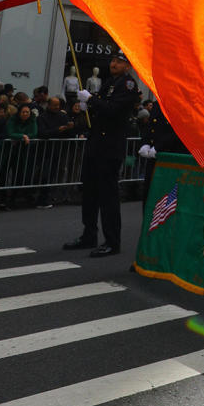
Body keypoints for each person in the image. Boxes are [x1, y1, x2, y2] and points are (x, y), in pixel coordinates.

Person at [64, 50, 140, 256]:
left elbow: (113, 109)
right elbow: (100, 105)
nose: (114, 64)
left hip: (109, 147)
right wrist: (86, 104)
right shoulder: (110, 82)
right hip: (96, 144)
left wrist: (92, 100)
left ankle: (112, 241)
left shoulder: (127, 85)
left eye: (119, 62)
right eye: (113, 60)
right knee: (89, 193)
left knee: (108, 197)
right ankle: (89, 234)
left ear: (128, 66)